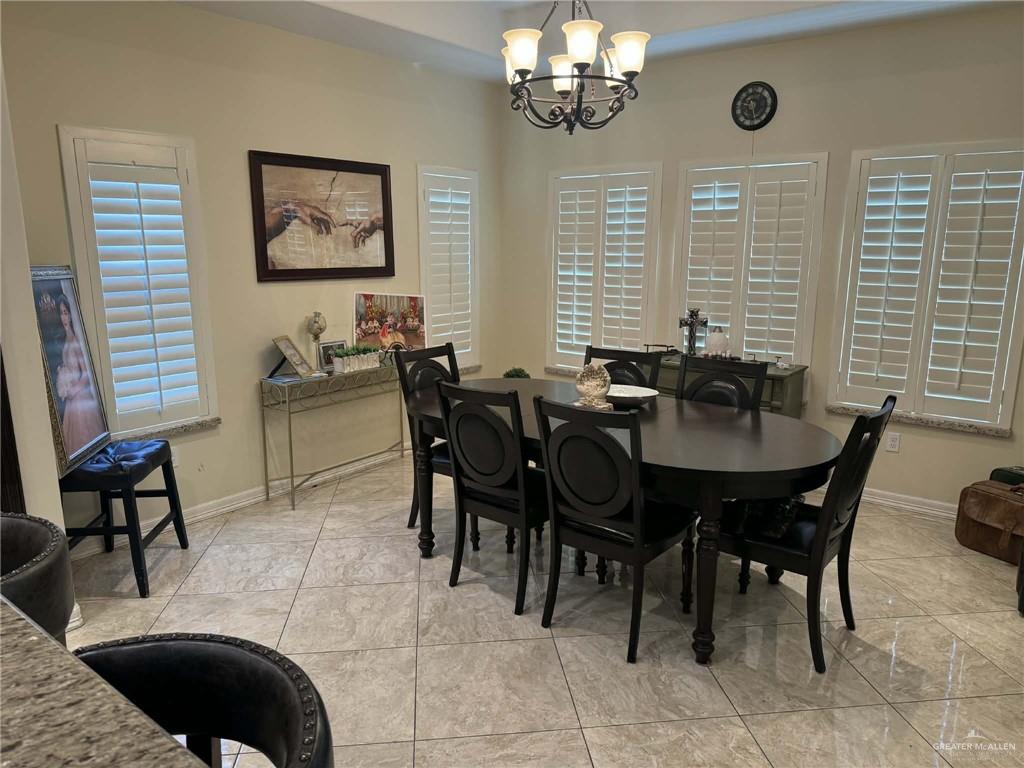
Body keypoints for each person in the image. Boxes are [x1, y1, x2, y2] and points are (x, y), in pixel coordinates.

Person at [55, 294, 105, 455]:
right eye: (61, 313)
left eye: (65, 312)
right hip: (72, 401)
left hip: (80, 398)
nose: (64, 317)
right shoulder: (66, 340)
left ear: (70, 314)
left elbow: (85, 374)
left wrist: (73, 390)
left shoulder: (75, 341)